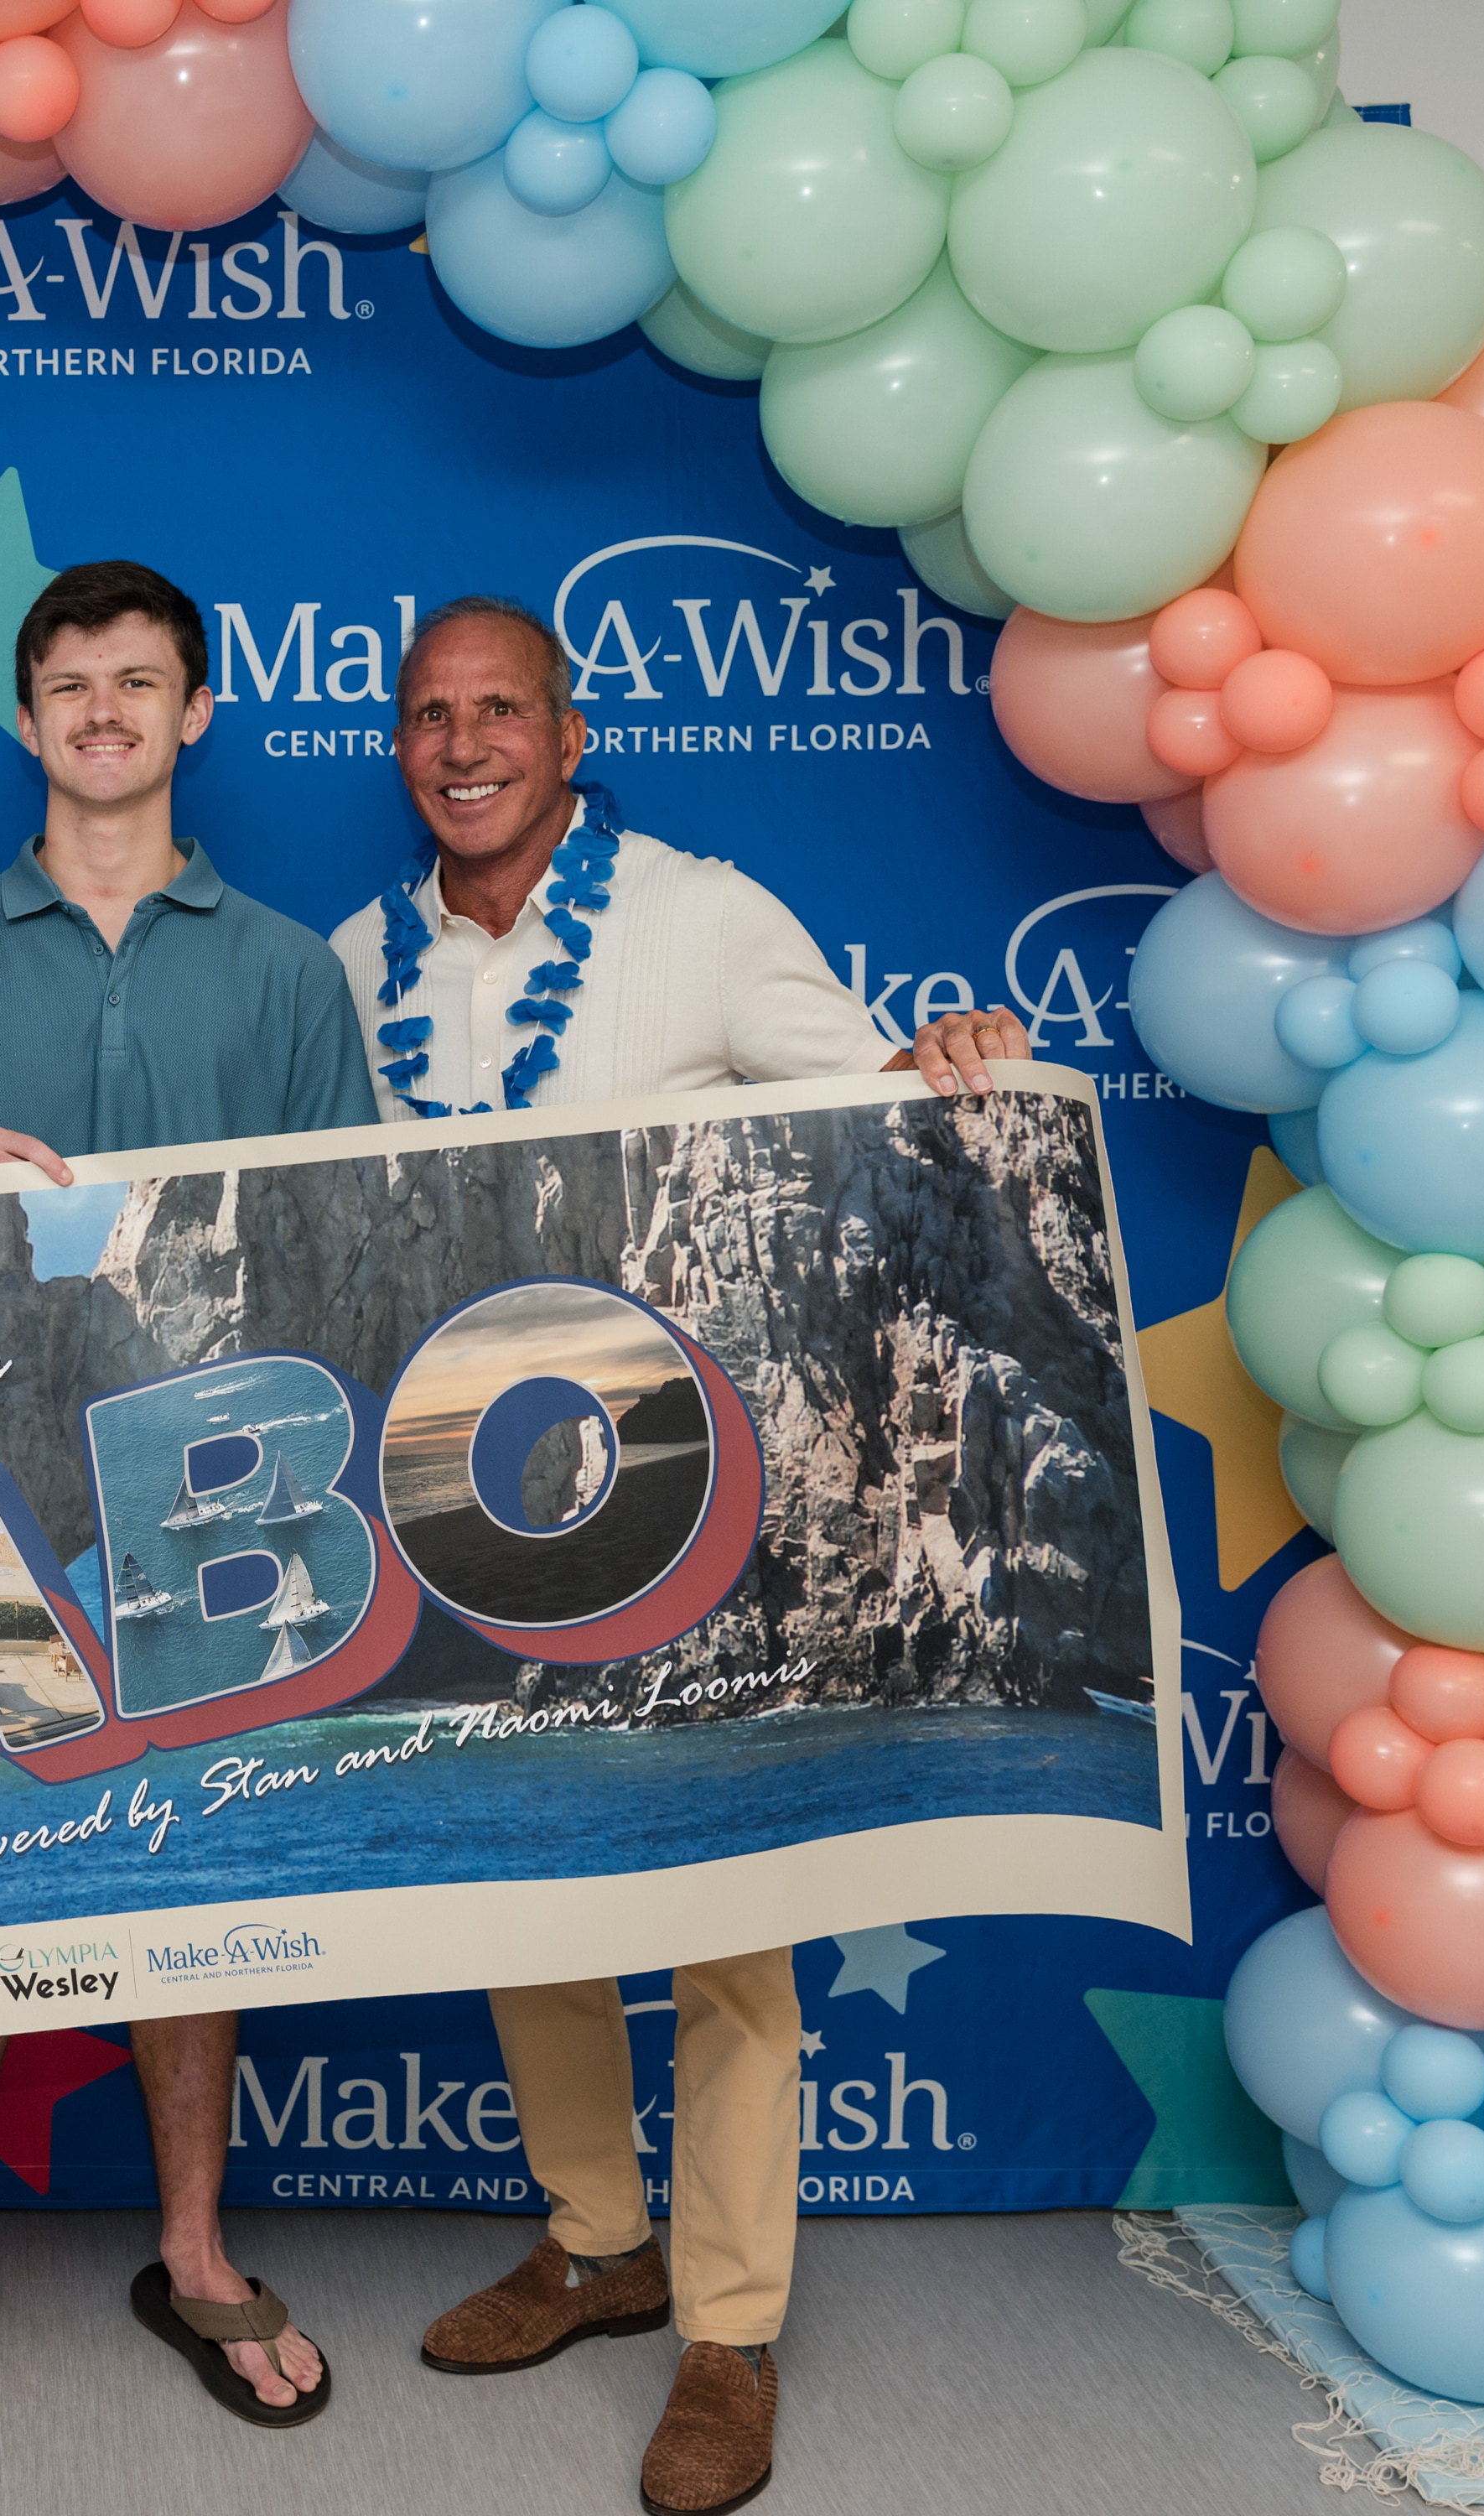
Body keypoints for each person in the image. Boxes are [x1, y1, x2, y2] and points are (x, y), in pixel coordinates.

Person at [324, 595, 1031, 2516]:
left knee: (727, 1925)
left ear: (568, 734)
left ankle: (727, 2330)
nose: (464, 744)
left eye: (501, 712)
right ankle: (594, 2237)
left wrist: (946, 1050)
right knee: (532, 1894)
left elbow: (869, 1108)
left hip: (707, 1493)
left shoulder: (702, 915)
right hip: (476, 1503)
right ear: (401, 746)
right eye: (428, 716)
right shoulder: (352, 963)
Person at [0, 560, 376, 2427]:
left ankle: (196, 2248)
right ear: (29, 717)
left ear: (198, 711)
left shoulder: (289, 968)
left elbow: (339, 1230)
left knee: (190, 1854)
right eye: (71, 683)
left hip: (209, 1467)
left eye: (142, 680)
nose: (106, 710)